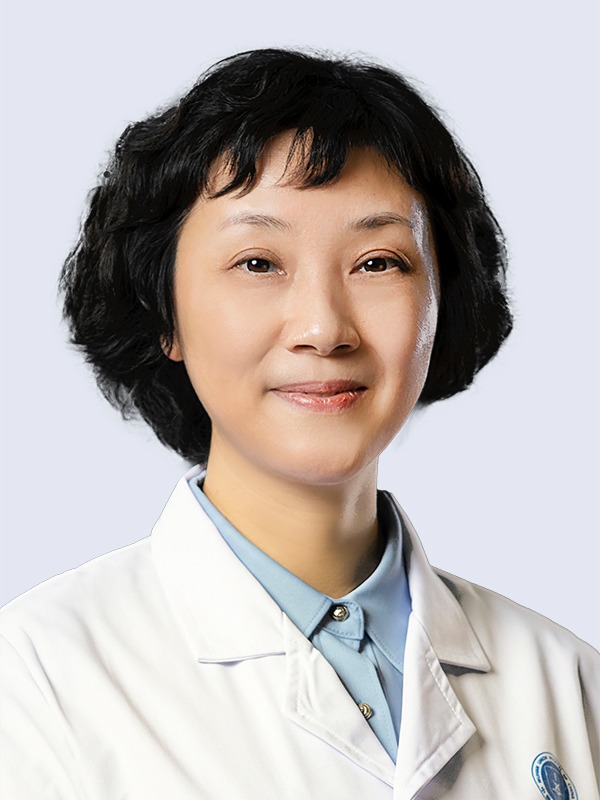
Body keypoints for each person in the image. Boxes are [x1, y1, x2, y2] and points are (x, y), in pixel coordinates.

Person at [0, 48, 598, 800]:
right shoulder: (36, 679)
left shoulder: (569, 684)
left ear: (443, 302)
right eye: (258, 263)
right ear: (164, 315)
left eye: (378, 262)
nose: (324, 328)